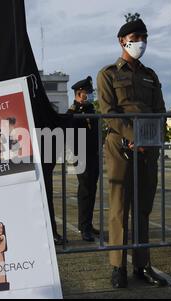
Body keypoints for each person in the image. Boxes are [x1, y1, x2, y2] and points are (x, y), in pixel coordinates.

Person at [97, 14, 167, 288]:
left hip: (148, 148)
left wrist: (151, 139)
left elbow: (160, 110)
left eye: (143, 39)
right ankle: (118, 267)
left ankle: (142, 265)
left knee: (143, 209)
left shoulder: (151, 75)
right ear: (122, 41)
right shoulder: (108, 74)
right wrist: (133, 136)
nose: (140, 43)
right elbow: (108, 112)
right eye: (135, 39)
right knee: (119, 208)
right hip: (121, 147)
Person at [67, 76, 100, 242]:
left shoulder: (91, 110)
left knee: (92, 190)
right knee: (85, 191)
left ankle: (89, 223)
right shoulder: (73, 112)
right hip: (81, 156)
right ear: (80, 94)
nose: (91, 95)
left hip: (94, 155)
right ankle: (84, 228)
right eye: (88, 92)